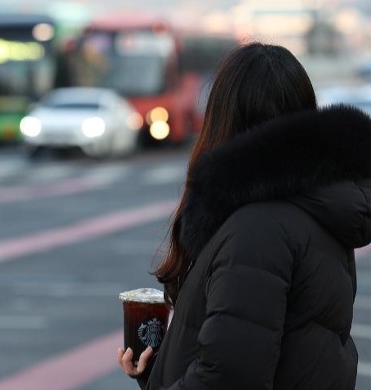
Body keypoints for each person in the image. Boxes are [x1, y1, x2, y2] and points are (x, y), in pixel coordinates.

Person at [118, 42, 370, 389]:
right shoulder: (316, 207)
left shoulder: (257, 228)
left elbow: (229, 377)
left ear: (223, 119)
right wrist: (158, 372)